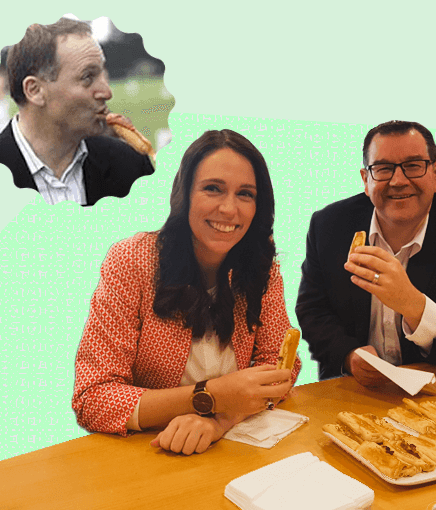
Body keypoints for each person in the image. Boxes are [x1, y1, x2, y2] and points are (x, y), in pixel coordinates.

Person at [72, 130, 301, 455]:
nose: (228, 208)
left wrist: (220, 420)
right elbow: (93, 398)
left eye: (246, 194)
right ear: (184, 194)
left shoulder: (261, 264)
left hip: (234, 447)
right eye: (213, 189)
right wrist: (210, 395)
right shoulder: (131, 261)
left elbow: (281, 365)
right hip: (147, 451)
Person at [296, 120, 436, 385]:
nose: (398, 181)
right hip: (351, 389)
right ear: (366, 179)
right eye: (383, 169)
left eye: (413, 166)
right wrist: (348, 355)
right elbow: (312, 310)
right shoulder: (328, 226)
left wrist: (414, 305)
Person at [0, 17, 153, 206]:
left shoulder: (131, 166)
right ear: (34, 90)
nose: (107, 92)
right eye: (87, 77)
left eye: (102, 73)